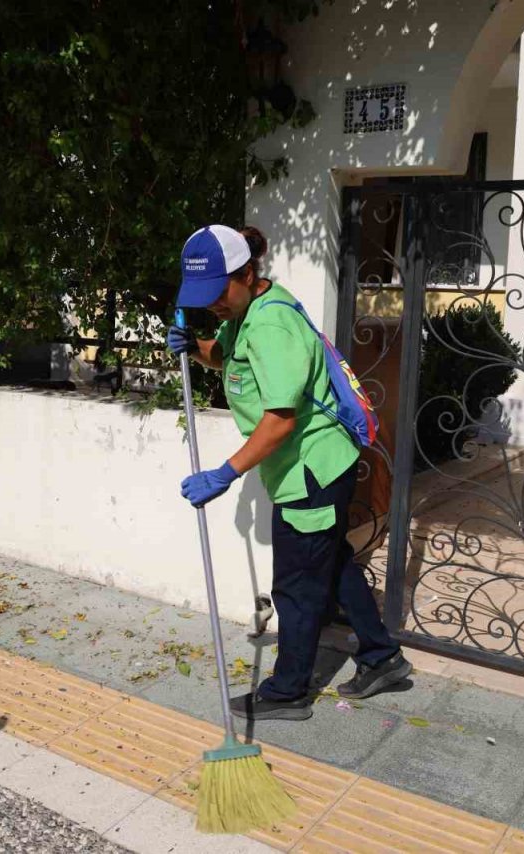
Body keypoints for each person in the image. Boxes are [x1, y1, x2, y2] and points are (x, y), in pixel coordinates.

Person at [167, 224, 412, 721]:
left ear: (246, 274)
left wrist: (226, 473)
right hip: (314, 467)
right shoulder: (247, 311)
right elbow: (229, 357)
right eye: (204, 294)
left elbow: (280, 420)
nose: (212, 303)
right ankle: (382, 656)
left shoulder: (271, 325)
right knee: (331, 562)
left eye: (217, 291)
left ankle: (288, 692)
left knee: (297, 587)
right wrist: (194, 347)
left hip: (310, 472)